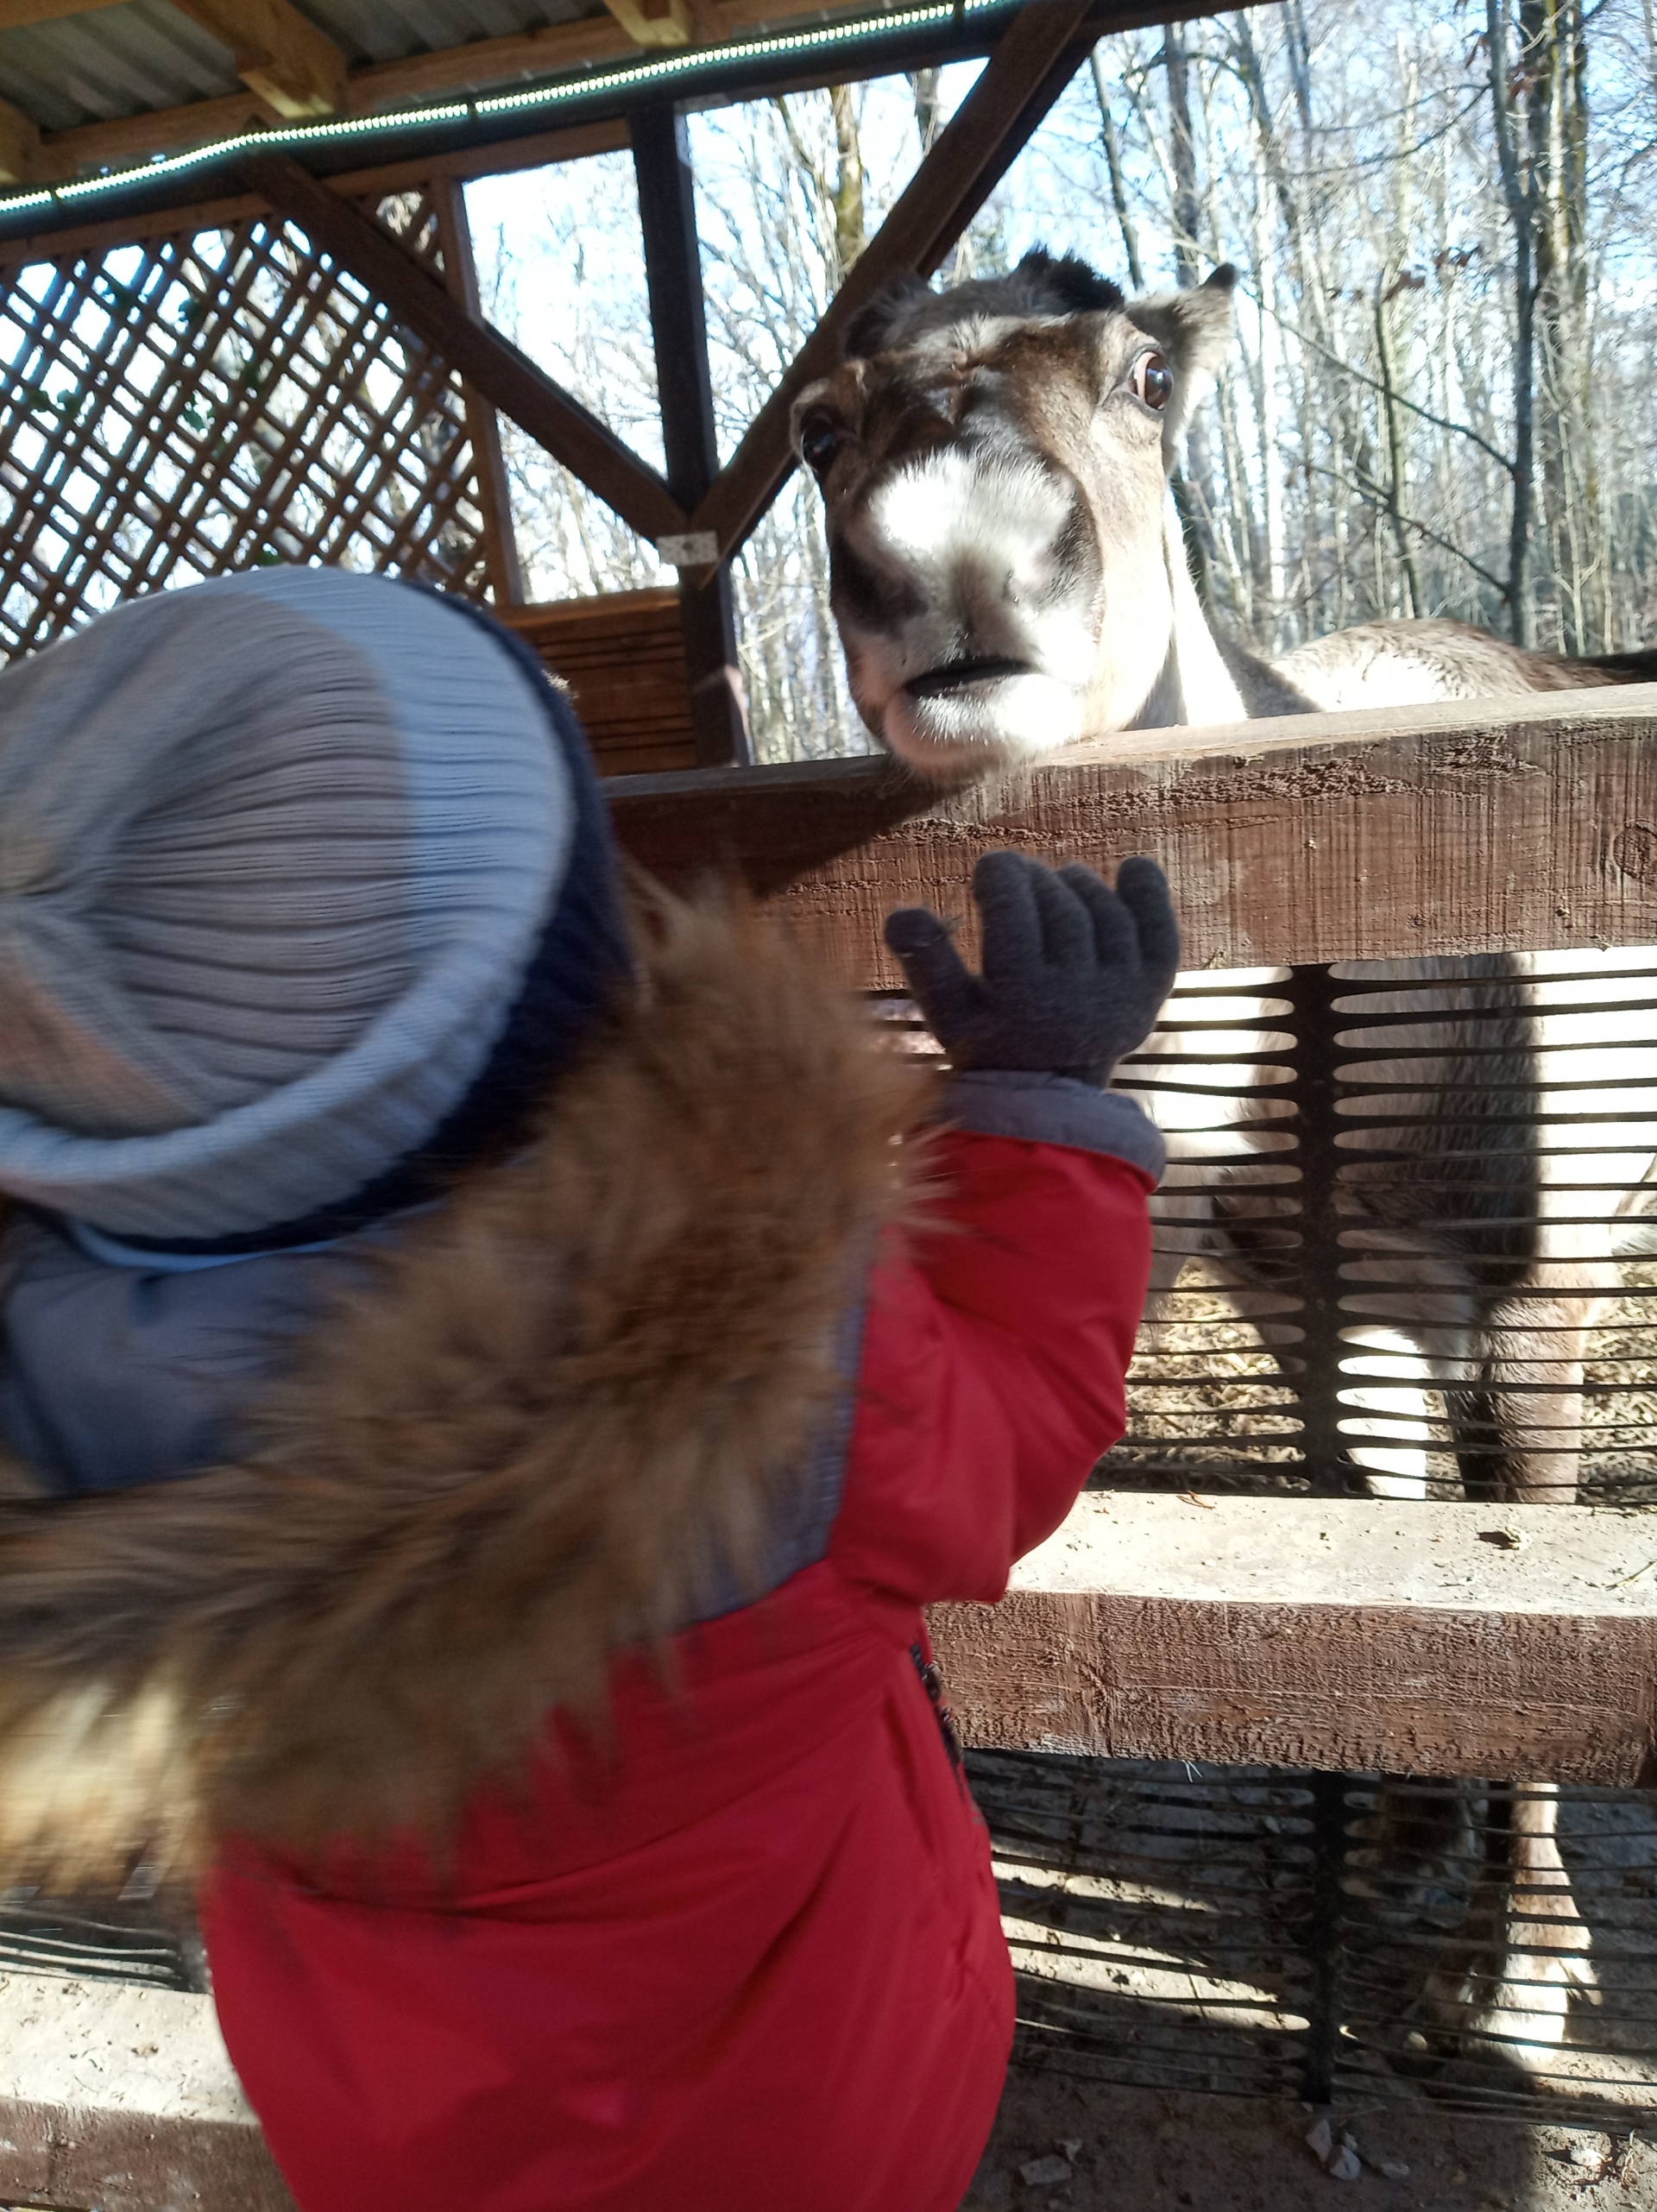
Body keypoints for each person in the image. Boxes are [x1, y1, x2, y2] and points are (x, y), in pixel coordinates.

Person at [0, 566, 1178, 2212]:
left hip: (391, 2140)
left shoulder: (49, 1448)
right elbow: (1018, 1437)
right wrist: (1043, 1111)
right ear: (562, 999)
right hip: (819, 2127)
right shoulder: (787, 1362)